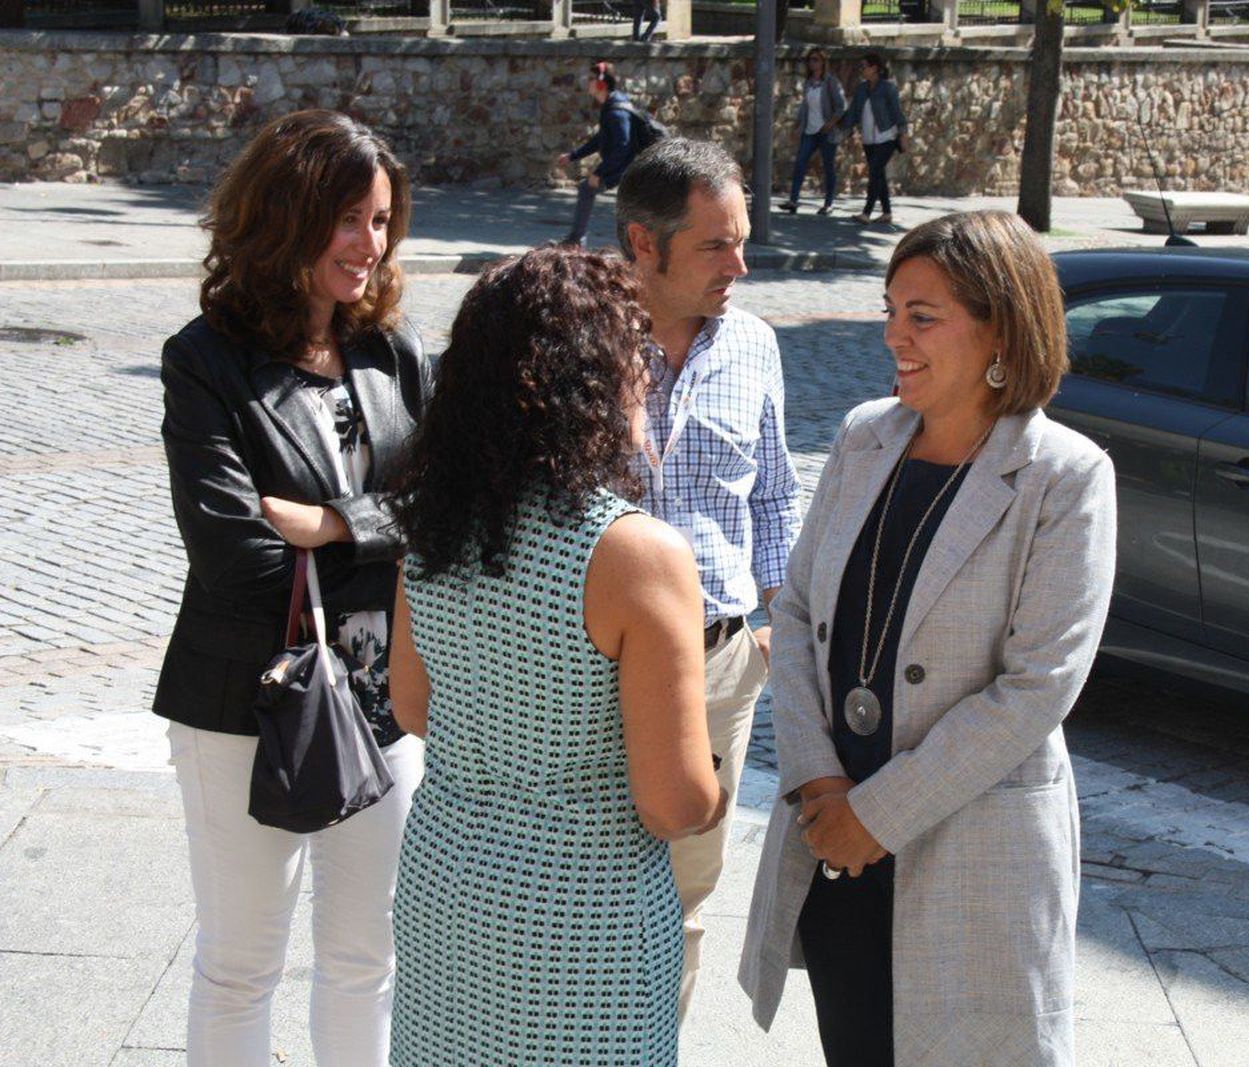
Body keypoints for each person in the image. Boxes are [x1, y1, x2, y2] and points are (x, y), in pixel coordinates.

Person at [739, 210, 1117, 1067]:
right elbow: (795, 611)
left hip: (969, 855)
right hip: (835, 841)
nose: (893, 336)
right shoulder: (863, 436)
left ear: (999, 330)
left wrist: (876, 816)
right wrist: (818, 779)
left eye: (922, 316)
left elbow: (1039, 686)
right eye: (890, 310)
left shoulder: (1064, 476)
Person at [386, 247, 726, 1065]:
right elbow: (671, 802)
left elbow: (413, 705)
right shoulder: (634, 554)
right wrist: (713, 790)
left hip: (446, 885)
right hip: (584, 917)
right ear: (597, 381)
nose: (646, 375)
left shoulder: (438, 523)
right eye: (636, 354)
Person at [154, 109, 428, 1065]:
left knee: (367, 958)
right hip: (246, 698)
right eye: (347, 219)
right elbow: (235, 554)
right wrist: (384, 533)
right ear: (285, 217)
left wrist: (335, 524)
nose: (370, 244)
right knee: (240, 964)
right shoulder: (205, 360)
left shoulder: (393, 353)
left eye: (381, 220)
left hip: (380, 699)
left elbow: (444, 510)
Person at [614, 138, 804, 1021]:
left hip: (722, 665)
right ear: (643, 244)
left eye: (742, 241)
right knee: (585, 882)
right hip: (597, 667)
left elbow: (774, 492)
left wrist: (773, 624)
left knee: (684, 895)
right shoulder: (580, 340)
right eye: (715, 245)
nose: (740, 265)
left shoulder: (754, 344)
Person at [557, 62, 637, 248]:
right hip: (626, 163)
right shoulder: (611, 105)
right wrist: (573, 156)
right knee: (590, 190)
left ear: (602, 83)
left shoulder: (616, 111)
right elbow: (601, 139)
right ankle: (576, 240)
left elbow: (623, 146)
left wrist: (599, 173)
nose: (587, 82)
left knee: (588, 189)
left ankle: (576, 241)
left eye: (591, 79)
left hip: (630, 165)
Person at [837, 52, 907, 227]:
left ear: (874, 68)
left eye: (864, 67)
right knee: (879, 174)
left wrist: (903, 134)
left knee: (875, 172)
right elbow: (853, 112)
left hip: (887, 137)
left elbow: (897, 113)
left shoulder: (888, 88)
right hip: (869, 139)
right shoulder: (862, 89)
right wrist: (843, 127)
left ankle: (867, 213)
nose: (861, 70)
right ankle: (886, 213)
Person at [778, 48, 846, 217]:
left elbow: (841, 106)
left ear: (823, 62)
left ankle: (829, 203)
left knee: (828, 166)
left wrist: (830, 124)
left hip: (826, 131)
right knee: (800, 163)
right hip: (810, 130)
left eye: (816, 59)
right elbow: (805, 107)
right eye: (810, 60)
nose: (812, 63)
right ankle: (793, 201)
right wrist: (798, 126)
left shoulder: (830, 82)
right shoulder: (808, 82)